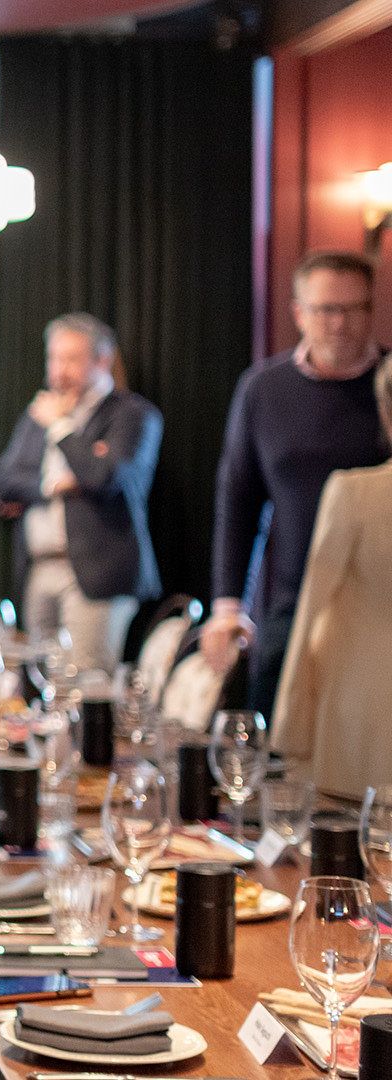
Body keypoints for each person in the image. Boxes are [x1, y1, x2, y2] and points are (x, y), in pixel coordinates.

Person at [202, 250, 390, 715]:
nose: (341, 323)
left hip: (380, 604)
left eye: (355, 309)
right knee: (279, 743)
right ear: (299, 313)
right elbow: (239, 501)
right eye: (327, 309)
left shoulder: (391, 385)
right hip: (292, 600)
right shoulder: (263, 389)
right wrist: (229, 607)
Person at [0, 312, 162, 673]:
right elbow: (4, 479)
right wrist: (53, 486)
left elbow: (104, 477)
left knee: (86, 686)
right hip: (40, 568)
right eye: (54, 358)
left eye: (71, 359)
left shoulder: (132, 414)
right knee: (39, 682)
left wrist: (63, 429)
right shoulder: (38, 415)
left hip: (96, 574)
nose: (59, 370)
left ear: (102, 360)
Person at [273, 358, 392, 800]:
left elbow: (311, 614)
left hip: (359, 730)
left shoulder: (354, 494)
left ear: (385, 411)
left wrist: (291, 729)